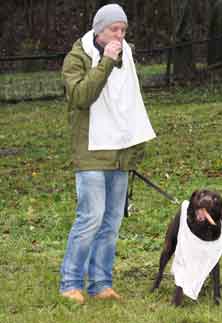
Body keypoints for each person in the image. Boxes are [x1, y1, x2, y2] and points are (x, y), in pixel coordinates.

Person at [59, 4, 156, 304]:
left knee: (112, 221)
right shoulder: (77, 57)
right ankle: (70, 283)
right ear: (99, 29)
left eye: (123, 30)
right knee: (90, 217)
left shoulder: (126, 58)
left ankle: (101, 283)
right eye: (114, 29)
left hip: (119, 152)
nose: (120, 35)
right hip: (90, 152)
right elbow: (80, 97)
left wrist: (134, 150)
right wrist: (104, 63)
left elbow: (131, 108)